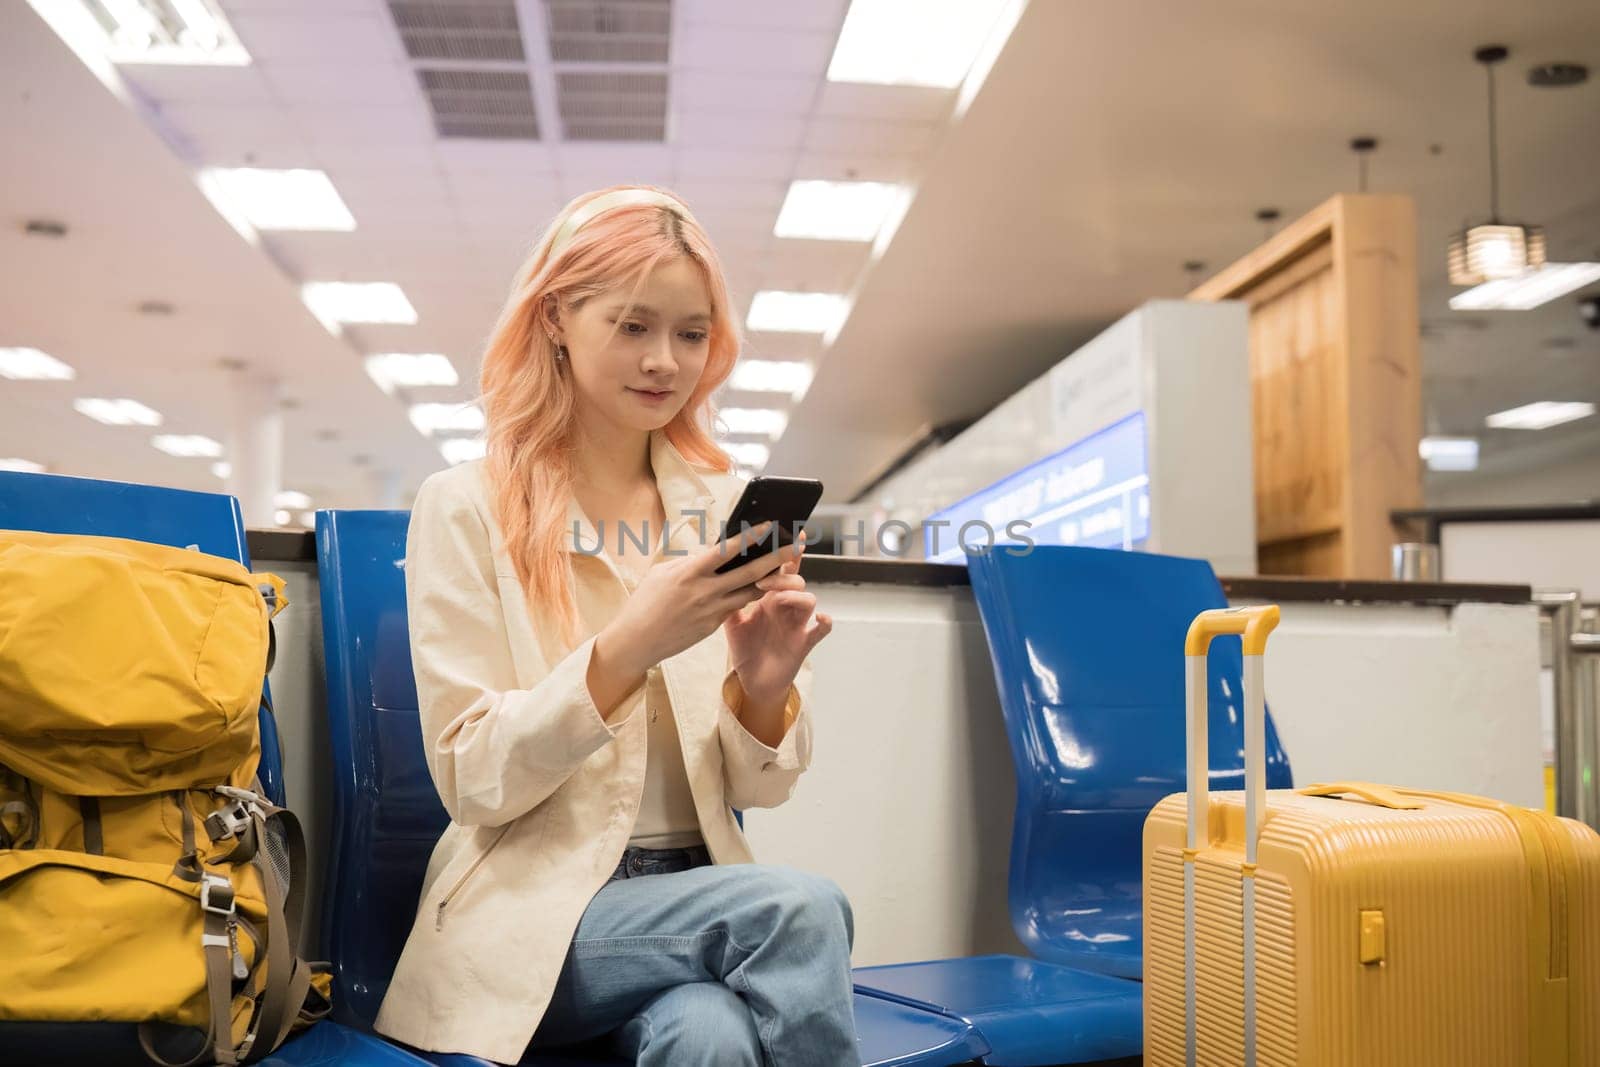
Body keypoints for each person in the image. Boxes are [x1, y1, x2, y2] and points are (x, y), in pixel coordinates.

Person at [372, 185, 858, 1067]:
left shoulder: (721, 505)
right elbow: (472, 780)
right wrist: (632, 645)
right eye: (633, 326)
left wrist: (765, 687)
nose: (665, 362)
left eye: (690, 332)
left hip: (702, 895)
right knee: (797, 907)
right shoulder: (464, 506)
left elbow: (760, 792)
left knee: (710, 1036)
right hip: (541, 918)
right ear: (557, 315)